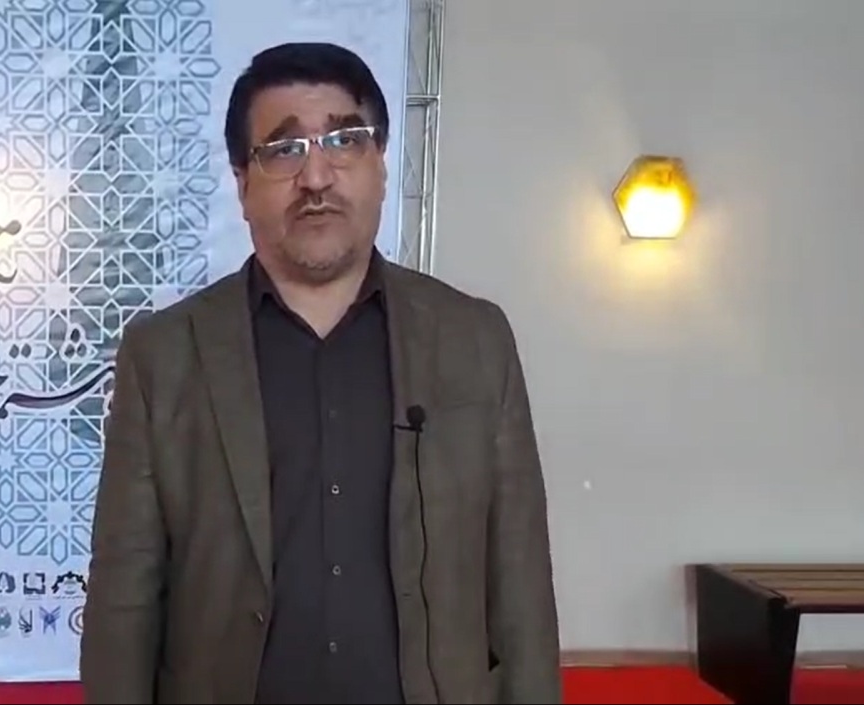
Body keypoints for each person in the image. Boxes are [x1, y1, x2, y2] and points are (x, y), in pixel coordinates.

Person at [80, 41, 561, 704]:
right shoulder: (163, 354)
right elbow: (124, 597)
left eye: (344, 141)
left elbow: (521, 587)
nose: (316, 177)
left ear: (380, 165)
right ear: (242, 184)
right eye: (283, 149)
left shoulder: (474, 339)